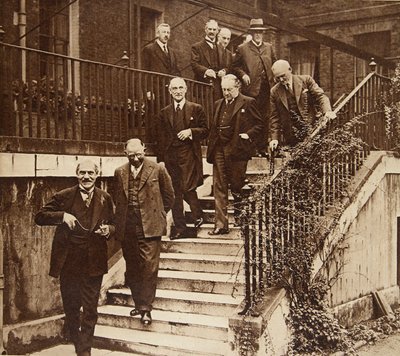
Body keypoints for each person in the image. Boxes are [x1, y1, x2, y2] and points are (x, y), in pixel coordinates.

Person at [35, 160, 115, 356]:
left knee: (90, 309)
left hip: (94, 262)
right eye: (82, 173)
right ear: (76, 174)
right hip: (69, 263)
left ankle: (84, 350)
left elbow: (115, 224)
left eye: (90, 173)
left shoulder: (105, 198)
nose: (86, 177)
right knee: (71, 307)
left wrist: (108, 230)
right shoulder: (64, 196)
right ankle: (78, 343)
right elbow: (40, 216)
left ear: (98, 175)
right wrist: (62, 216)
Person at [113, 138, 174, 326]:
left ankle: (146, 309)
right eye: (131, 156)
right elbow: (117, 198)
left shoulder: (158, 169)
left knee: (149, 267)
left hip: (150, 226)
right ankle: (139, 303)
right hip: (128, 227)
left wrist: (157, 215)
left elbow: (169, 196)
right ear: (125, 153)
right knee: (132, 267)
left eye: (139, 154)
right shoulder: (119, 172)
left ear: (144, 150)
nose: (136, 159)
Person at [206, 74, 263, 234]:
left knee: (237, 186)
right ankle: (220, 225)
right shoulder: (218, 104)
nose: (226, 93)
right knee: (219, 187)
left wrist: (248, 135)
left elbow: (259, 125)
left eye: (229, 89)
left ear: (238, 87)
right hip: (219, 149)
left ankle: (241, 217)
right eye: (223, 89)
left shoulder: (248, 102)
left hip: (237, 150)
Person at [156, 77, 208, 239]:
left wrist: (191, 132)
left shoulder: (196, 108)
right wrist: (161, 160)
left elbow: (206, 130)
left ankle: (198, 215)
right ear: (170, 91)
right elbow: (160, 137)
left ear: (186, 89)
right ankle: (180, 227)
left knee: (187, 187)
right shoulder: (164, 112)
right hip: (170, 156)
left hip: (189, 154)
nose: (178, 91)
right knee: (174, 192)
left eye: (180, 88)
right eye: (174, 89)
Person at [232, 18, 277, 156]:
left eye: (260, 32)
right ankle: (251, 149)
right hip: (250, 90)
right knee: (252, 119)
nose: (258, 35)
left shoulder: (269, 47)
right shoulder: (243, 48)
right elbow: (234, 66)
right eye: (255, 32)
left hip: (266, 89)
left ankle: (262, 148)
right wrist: (243, 74)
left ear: (263, 34)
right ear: (251, 33)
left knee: (265, 117)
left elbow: (275, 64)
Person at [269, 59, 336, 150]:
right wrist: (275, 139)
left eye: (283, 76)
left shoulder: (306, 80)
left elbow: (321, 96)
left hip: (311, 128)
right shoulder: (274, 91)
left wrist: (327, 111)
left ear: (290, 69)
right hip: (291, 134)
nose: (281, 79)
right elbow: (274, 117)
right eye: (277, 78)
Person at [191, 20, 228, 100]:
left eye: (214, 30)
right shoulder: (197, 47)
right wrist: (206, 71)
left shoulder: (221, 48)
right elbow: (194, 64)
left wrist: (224, 71)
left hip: (218, 88)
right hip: (202, 87)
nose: (212, 32)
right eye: (210, 29)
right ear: (205, 30)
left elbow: (227, 66)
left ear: (217, 31)